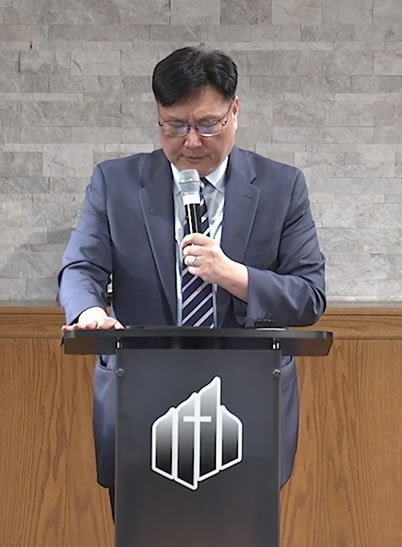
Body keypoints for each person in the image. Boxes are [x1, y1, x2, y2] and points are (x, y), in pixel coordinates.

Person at [57, 46, 326, 513]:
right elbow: (82, 267)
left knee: (240, 543)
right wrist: (90, 311)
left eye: (207, 125)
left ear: (235, 111)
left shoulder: (282, 187)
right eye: (175, 126)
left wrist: (233, 276)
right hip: (142, 401)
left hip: (246, 406)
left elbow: (309, 295)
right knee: (145, 541)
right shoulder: (116, 183)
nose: (192, 142)